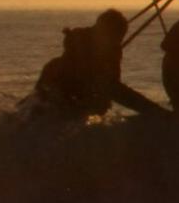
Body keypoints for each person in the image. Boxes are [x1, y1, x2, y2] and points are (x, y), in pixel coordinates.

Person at [27, 9, 162, 121]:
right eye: (114, 38)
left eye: (118, 39)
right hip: (59, 111)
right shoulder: (82, 60)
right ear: (101, 32)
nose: (116, 44)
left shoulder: (108, 53)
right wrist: (156, 112)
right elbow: (114, 89)